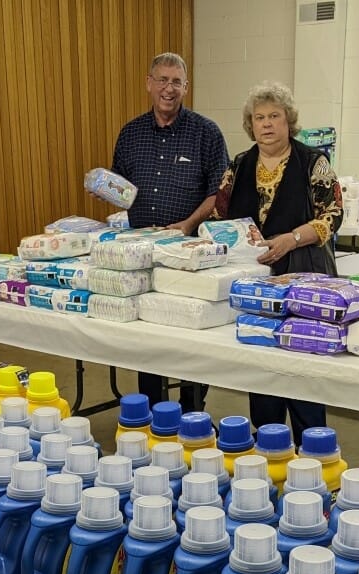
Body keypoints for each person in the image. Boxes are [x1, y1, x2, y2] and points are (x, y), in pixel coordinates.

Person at [212, 81, 343, 446]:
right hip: (258, 277)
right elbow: (222, 217)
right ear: (250, 125)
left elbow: (333, 215)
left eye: (274, 116)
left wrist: (292, 238)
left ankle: (313, 446)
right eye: (259, 118)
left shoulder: (314, 162)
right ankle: (270, 445)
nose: (266, 124)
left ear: (289, 122)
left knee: (303, 364)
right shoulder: (238, 165)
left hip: (306, 271)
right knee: (263, 361)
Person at [112, 52, 227, 413]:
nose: (168, 88)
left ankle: (192, 408)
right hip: (142, 253)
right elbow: (121, 187)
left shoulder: (206, 133)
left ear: (186, 87)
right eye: (161, 80)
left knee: (190, 335)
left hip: (188, 253)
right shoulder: (130, 133)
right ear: (149, 83)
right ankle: (153, 408)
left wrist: (188, 224)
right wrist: (106, 189)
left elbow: (218, 191)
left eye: (176, 81)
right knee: (149, 336)